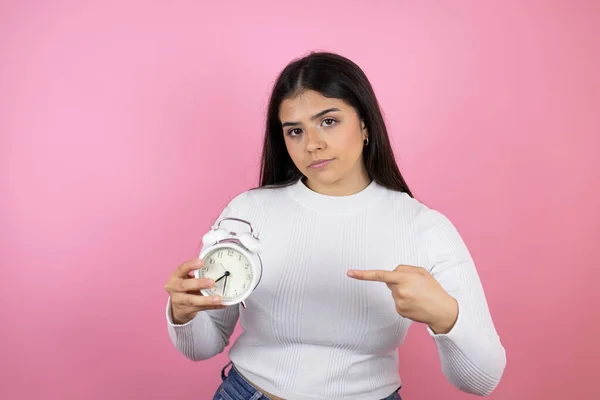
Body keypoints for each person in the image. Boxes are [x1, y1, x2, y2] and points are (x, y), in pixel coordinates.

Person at [164, 51, 506, 400]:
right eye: (295, 131)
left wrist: (445, 316)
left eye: (328, 121)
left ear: (365, 124)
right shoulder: (248, 213)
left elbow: (483, 380)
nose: (312, 144)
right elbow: (202, 347)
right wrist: (183, 312)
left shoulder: (424, 228)